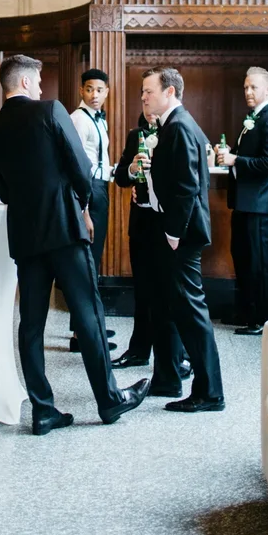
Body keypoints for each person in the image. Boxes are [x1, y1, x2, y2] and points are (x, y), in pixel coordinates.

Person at [0, 54, 149, 434]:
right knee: (88, 313)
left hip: (24, 235)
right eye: (37, 81)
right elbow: (81, 169)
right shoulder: (49, 111)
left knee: (30, 325)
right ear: (24, 83)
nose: (41, 87)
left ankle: (44, 410)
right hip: (63, 227)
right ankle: (108, 401)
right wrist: (85, 207)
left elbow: (3, 190)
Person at [145, 67, 225, 413]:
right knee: (176, 307)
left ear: (170, 93)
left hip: (183, 235)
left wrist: (174, 233)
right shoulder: (178, 124)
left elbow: (187, 188)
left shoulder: (178, 127)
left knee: (192, 312)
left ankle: (210, 393)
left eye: (149, 91)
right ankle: (170, 378)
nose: (144, 97)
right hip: (178, 230)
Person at [112, 109, 191, 381]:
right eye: (143, 101)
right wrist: (133, 170)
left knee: (169, 293)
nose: (147, 106)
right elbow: (120, 176)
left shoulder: (174, 133)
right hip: (142, 221)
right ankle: (138, 350)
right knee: (142, 289)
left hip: (165, 222)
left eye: (151, 98)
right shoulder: (135, 136)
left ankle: (177, 357)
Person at [216, 66, 268, 335]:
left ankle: (263, 319)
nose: (247, 91)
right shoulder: (254, 118)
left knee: (259, 262)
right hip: (245, 202)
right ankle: (246, 311)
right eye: (246, 87)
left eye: (253, 87)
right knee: (243, 257)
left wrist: (236, 160)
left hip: (259, 203)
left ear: (267, 90)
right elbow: (246, 154)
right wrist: (227, 154)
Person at [68, 68, 115, 353]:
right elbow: (77, 165)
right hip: (89, 193)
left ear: (107, 92)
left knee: (93, 261)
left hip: (101, 189)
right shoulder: (78, 119)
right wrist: (83, 209)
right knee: (86, 263)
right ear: (81, 91)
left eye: (99, 90)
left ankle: (87, 325)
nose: (94, 94)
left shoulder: (99, 119)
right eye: (89, 89)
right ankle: (80, 335)